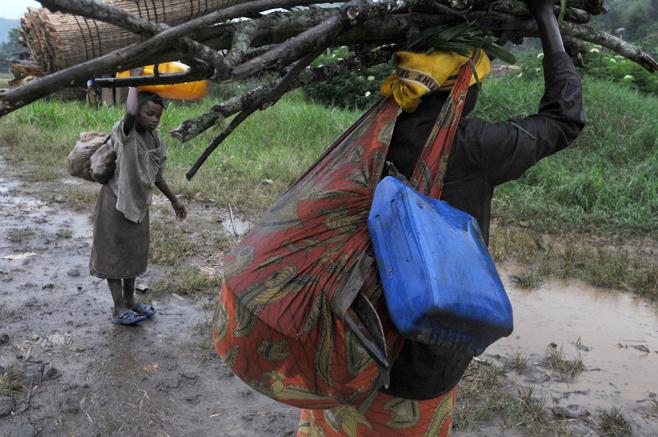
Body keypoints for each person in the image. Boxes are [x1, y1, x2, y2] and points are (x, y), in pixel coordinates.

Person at [297, 0, 585, 434]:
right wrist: (546, 17)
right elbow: (564, 118)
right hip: (421, 359)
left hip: (345, 337)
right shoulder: (473, 147)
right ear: (462, 87)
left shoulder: (374, 132)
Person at [90, 86, 187, 325]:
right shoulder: (127, 132)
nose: (154, 119)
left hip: (139, 206)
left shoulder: (156, 140)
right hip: (115, 202)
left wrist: (174, 200)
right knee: (113, 255)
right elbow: (131, 111)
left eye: (158, 115)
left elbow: (156, 176)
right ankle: (118, 308)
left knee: (132, 255)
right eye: (149, 113)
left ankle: (131, 301)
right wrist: (134, 82)